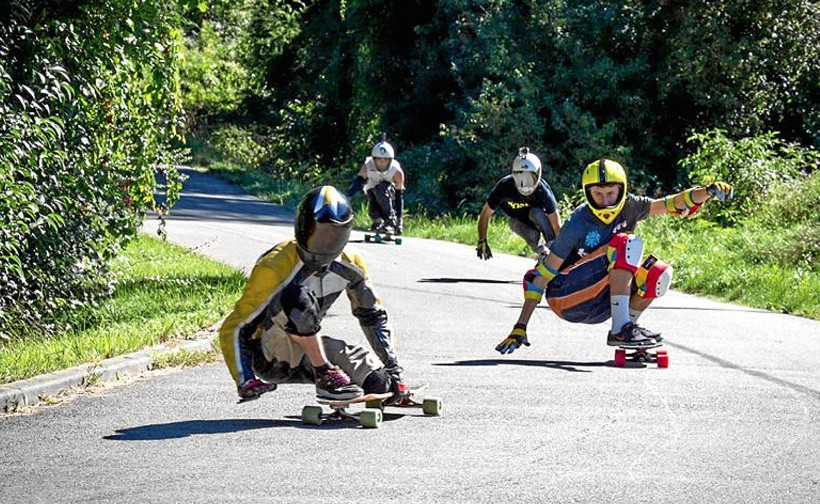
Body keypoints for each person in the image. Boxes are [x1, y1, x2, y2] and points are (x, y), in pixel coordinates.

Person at [494, 158, 733, 354]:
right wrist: (520, 326)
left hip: (599, 300)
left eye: (611, 193)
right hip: (566, 297)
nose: (606, 201)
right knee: (625, 242)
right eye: (598, 194)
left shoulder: (631, 206)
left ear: (622, 190)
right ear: (588, 194)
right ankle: (622, 328)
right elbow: (545, 274)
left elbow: (672, 203)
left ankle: (628, 334)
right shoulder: (579, 221)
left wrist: (708, 191)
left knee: (658, 273)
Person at [219, 185, 404, 403]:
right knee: (297, 297)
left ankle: (346, 383)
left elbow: (373, 316)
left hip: (307, 351)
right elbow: (235, 326)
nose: (325, 243)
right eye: (318, 233)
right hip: (269, 353)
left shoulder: (351, 262)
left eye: (334, 235)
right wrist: (245, 379)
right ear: (301, 227)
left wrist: (393, 370)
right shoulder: (275, 266)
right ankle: (326, 374)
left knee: (380, 383)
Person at [476, 147, 562, 261]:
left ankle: (552, 252)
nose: (525, 183)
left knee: (537, 213)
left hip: (537, 217)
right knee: (525, 231)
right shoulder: (504, 186)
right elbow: (485, 214)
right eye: (520, 176)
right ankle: (543, 254)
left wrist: (562, 251)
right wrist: (482, 240)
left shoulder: (542, 190)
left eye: (530, 177)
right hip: (518, 221)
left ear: (538, 174)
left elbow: (556, 224)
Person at [347, 140, 406, 235]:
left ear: (390, 160)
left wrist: (399, 222)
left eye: (385, 160)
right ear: (374, 159)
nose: (382, 163)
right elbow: (358, 182)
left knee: (381, 189)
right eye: (379, 160)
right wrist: (348, 197)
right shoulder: (367, 165)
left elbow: (399, 196)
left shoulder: (396, 171)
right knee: (373, 211)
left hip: (389, 192)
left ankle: (390, 222)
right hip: (371, 189)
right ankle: (378, 221)